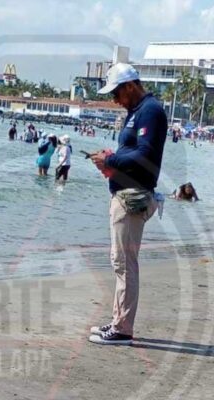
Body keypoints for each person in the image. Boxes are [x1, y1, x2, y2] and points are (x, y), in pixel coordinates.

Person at [87, 63, 167, 346]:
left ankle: (122, 328)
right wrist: (110, 159)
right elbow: (133, 152)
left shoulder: (150, 111)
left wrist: (109, 160)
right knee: (120, 262)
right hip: (125, 194)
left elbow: (145, 155)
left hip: (133, 198)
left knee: (124, 263)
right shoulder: (138, 111)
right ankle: (118, 321)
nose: (114, 100)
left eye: (116, 93)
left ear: (130, 86)